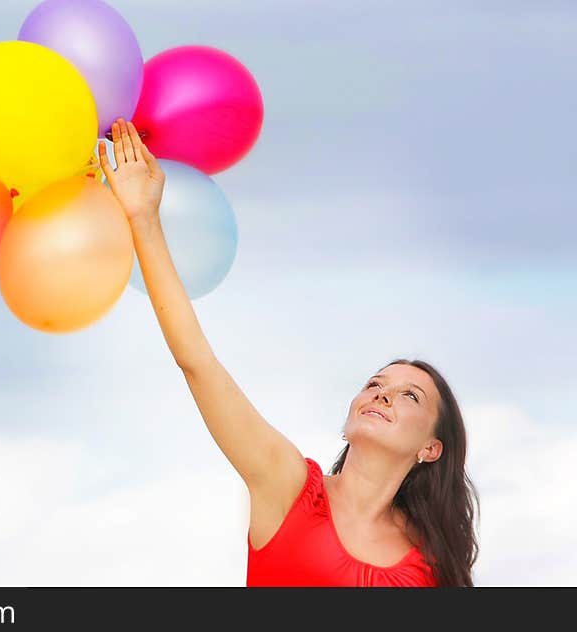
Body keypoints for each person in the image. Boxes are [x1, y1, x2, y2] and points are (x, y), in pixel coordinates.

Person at [97, 118, 479, 587]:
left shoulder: (430, 564)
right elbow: (197, 363)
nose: (381, 395)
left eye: (409, 396)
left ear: (431, 448)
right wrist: (143, 218)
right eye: (375, 385)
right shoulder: (288, 486)